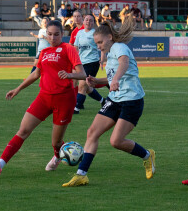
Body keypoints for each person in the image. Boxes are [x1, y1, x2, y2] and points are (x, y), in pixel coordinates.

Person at [0, 20, 87, 177]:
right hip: (44, 97)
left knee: (56, 142)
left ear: (62, 34)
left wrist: (70, 74)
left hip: (64, 99)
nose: (53, 37)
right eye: (50, 34)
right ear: (45, 34)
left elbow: (83, 74)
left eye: (56, 34)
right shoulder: (44, 52)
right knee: (23, 130)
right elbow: (36, 74)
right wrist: (18, 89)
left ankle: (59, 155)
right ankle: (0, 164)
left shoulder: (68, 49)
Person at [62, 18, 155, 187]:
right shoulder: (110, 53)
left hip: (131, 101)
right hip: (115, 100)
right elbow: (111, 78)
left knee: (116, 141)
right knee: (92, 132)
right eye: (96, 43)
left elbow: (124, 64)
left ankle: (147, 156)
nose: (98, 46)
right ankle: (81, 174)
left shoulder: (119, 47)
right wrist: (96, 81)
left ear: (110, 37)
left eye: (99, 42)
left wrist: (116, 79)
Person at [73, 14, 106, 114]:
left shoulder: (95, 33)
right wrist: (74, 61)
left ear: (93, 23)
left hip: (92, 62)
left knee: (82, 85)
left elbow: (103, 47)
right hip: (81, 63)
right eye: (86, 20)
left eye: (91, 20)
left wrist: (102, 60)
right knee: (87, 87)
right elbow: (75, 48)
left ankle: (76, 109)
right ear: (83, 21)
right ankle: (103, 101)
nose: (88, 22)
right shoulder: (79, 33)